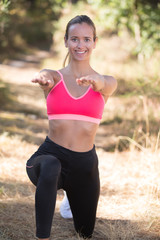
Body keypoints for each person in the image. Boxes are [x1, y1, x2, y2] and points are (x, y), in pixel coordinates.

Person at [26, 15, 117, 240]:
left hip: (84, 165)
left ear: (95, 42)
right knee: (51, 165)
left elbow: (107, 83)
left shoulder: (106, 83)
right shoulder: (54, 78)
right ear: (66, 41)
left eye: (86, 39)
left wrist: (97, 82)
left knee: (84, 233)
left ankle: (71, 196)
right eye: (74, 39)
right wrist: (42, 77)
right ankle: (42, 237)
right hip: (50, 155)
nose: (80, 45)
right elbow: (46, 74)